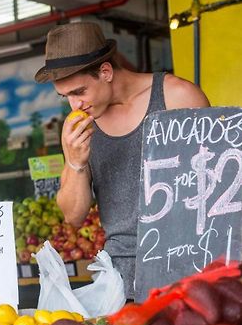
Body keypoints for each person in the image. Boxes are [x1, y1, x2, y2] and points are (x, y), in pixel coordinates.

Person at [35, 21, 210, 299]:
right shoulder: (80, 129)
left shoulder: (177, 97)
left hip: (186, 267)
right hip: (121, 282)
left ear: (105, 72)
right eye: (65, 96)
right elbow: (73, 215)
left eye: (79, 92)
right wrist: (75, 162)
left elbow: (215, 189)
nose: (74, 105)